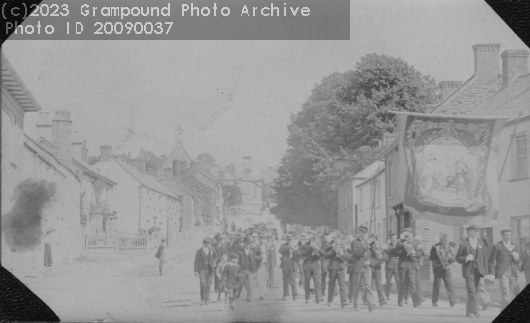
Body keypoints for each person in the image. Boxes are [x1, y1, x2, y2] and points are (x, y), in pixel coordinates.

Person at [456, 224, 491, 318]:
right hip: (468, 271)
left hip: (478, 271)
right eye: (474, 231)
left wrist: (486, 272)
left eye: (477, 231)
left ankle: (468, 312)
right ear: (469, 231)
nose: (476, 233)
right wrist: (466, 258)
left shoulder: (480, 242)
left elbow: (484, 258)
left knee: (474, 292)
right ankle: (476, 311)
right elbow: (458, 258)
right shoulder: (463, 243)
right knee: (471, 292)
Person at [488, 228, 520, 311]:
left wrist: (516, 258)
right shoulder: (497, 246)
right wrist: (491, 273)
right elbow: (491, 260)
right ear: (502, 236)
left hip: (512, 272)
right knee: (506, 293)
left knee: (509, 293)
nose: (507, 237)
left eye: (509, 235)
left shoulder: (514, 245)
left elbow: (517, 260)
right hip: (502, 273)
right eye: (505, 235)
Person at [349, 226, 375, 312]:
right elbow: (355, 253)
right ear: (359, 232)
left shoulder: (367, 242)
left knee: (368, 286)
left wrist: (370, 261)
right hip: (358, 266)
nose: (363, 235)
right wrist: (364, 247)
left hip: (367, 266)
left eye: (365, 233)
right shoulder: (354, 242)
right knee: (357, 286)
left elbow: (371, 254)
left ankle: (370, 303)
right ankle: (356, 305)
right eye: (362, 233)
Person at [394, 228, 421, 308]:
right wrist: (404, 249)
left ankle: (415, 301)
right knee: (401, 283)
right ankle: (400, 301)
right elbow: (395, 253)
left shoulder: (414, 243)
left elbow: (420, 254)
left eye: (411, 234)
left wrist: (415, 253)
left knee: (413, 283)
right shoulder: (400, 243)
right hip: (403, 264)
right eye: (408, 234)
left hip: (411, 264)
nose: (410, 236)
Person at [430, 233, 456, 307]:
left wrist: (449, 258)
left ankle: (452, 301)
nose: (446, 241)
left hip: (446, 269)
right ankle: (434, 301)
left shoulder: (448, 247)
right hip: (437, 269)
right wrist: (439, 258)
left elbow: (454, 258)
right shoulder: (434, 247)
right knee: (436, 285)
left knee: (449, 285)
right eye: (444, 240)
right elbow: (431, 258)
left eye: (446, 240)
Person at [325, 240, 350, 307]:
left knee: (342, 284)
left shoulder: (343, 248)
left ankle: (343, 300)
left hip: (341, 268)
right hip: (332, 268)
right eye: (336, 242)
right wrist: (333, 250)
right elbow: (326, 255)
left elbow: (348, 256)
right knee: (331, 284)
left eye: (338, 242)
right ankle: (330, 300)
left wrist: (342, 253)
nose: (337, 243)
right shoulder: (330, 248)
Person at [299, 233, 322, 304]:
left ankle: (318, 297)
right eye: (306, 238)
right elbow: (301, 254)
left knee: (317, 282)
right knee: (307, 282)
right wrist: (310, 247)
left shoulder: (315, 245)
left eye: (311, 239)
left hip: (315, 264)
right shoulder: (303, 246)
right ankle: (307, 297)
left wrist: (317, 249)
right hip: (307, 265)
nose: (308, 240)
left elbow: (321, 254)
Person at [194, 237, 218, 306]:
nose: (207, 244)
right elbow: (196, 261)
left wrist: (215, 262)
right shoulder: (199, 251)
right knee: (203, 284)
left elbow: (217, 256)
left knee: (208, 285)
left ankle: (206, 299)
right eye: (206, 243)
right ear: (204, 243)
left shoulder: (212, 250)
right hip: (202, 269)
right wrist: (196, 271)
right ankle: (202, 299)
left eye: (209, 243)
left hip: (210, 270)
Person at [237, 237, 258, 302]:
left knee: (251, 285)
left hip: (250, 271)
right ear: (244, 244)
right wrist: (238, 272)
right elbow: (237, 263)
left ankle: (249, 297)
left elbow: (254, 263)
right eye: (246, 244)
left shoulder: (252, 252)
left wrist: (254, 272)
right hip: (242, 270)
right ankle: (237, 297)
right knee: (240, 284)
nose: (247, 245)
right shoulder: (240, 252)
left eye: (249, 244)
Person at [368, 233, 387, 306]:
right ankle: (366, 299)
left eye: (375, 240)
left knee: (379, 284)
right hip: (369, 267)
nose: (374, 241)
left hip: (377, 267)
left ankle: (381, 299)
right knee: (368, 284)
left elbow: (385, 256)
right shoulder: (367, 247)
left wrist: (381, 256)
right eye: (373, 239)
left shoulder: (378, 247)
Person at [279, 234, 299, 301]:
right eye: (288, 240)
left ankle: (295, 295)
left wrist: (295, 250)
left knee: (293, 280)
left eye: (290, 240)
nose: (289, 241)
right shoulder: (283, 246)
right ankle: (285, 294)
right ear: (286, 240)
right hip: (285, 264)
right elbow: (281, 251)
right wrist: (289, 248)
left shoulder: (295, 245)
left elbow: (299, 254)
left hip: (293, 264)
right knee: (285, 280)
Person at [383, 233, 399, 300]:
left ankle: (400, 295)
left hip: (397, 265)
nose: (394, 240)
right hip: (389, 265)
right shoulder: (388, 245)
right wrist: (394, 247)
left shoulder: (399, 245)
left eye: (395, 238)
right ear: (390, 239)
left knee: (398, 281)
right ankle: (387, 295)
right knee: (388, 281)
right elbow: (386, 251)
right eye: (392, 238)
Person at [256, 233, 269, 300]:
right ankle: (262, 294)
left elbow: (272, 256)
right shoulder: (257, 246)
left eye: (264, 238)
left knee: (265, 279)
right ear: (259, 239)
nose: (262, 240)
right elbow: (254, 256)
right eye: (261, 238)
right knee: (259, 280)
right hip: (259, 265)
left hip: (266, 264)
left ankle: (264, 291)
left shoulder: (268, 246)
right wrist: (259, 257)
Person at [320, 233, 333, 298]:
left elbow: (325, 253)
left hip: (326, 261)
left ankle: (323, 292)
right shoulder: (325, 243)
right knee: (328, 277)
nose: (325, 239)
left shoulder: (327, 244)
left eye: (326, 238)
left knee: (324, 277)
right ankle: (323, 291)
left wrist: (319, 249)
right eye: (324, 238)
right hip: (325, 261)